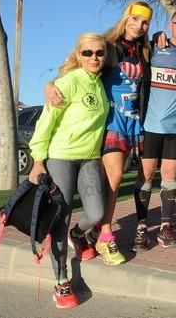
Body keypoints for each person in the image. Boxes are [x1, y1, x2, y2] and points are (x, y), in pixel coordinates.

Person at [45, 1, 153, 265]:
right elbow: (76, 65)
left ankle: (89, 230)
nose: (139, 26)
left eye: (145, 22)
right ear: (126, 18)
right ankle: (106, 236)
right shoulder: (107, 46)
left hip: (132, 121)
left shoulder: (144, 52)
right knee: (114, 178)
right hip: (109, 119)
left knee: (111, 182)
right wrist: (50, 85)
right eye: (135, 19)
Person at [29, 33, 109, 308]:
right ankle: (61, 280)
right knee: (59, 221)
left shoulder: (99, 84)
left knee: (96, 212)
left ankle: (78, 236)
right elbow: (46, 122)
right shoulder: (68, 83)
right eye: (88, 53)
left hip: (89, 158)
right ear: (78, 54)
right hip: (61, 157)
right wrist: (38, 160)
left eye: (100, 53)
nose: (94, 57)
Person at [131, 9, 176, 250]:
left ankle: (165, 228)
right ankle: (140, 228)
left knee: (169, 177)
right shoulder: (153, 47)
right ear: (171, 26)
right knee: (146, 176)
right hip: (151, 125)